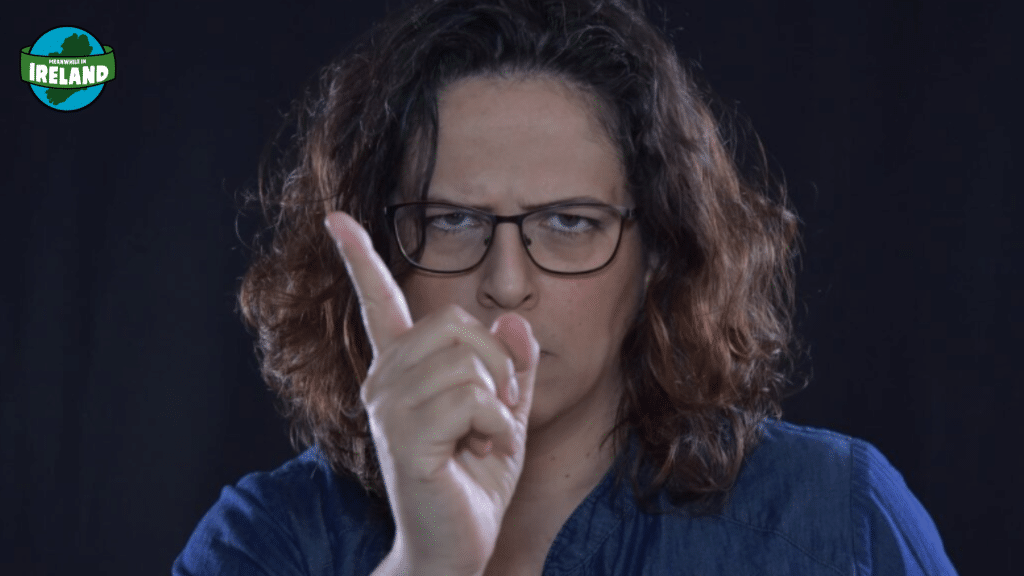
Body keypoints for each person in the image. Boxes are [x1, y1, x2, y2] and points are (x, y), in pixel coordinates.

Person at [173, 0, 958, 574]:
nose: (506, 284)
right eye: (451, 221)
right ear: (385, 253)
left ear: (657, 252)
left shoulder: (833, 518)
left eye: (571, 223)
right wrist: (426, 565)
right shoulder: (268, 538)